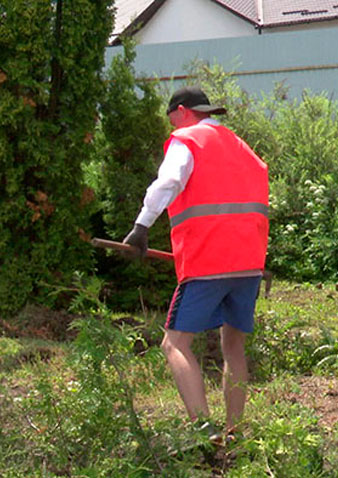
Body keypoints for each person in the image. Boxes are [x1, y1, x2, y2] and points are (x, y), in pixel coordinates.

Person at [123, 85, 269, 444]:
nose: (169, 124)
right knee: (233, 345)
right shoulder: (240, 146)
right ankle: (234, 431)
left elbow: (169, 181)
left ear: (182, 111)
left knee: (175, 345)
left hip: (207, 259)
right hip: (249, 262)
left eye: (170, 116)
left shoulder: (186, 139)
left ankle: (205, 434)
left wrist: (141, 227)